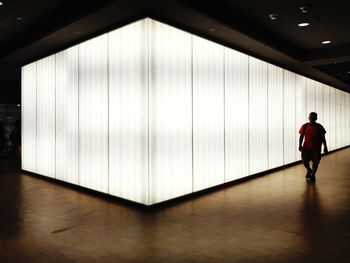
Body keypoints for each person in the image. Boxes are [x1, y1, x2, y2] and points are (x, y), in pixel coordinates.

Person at [298, 112, 328, 182]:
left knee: (315, 162)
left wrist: (325, 147)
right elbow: (301, 136)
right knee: (304, 160)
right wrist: (300, 145)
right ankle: (309, 170)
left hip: (316, 148)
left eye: (314, 117)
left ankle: (313, 175)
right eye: (311, 116)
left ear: (316, 118)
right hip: (306, 147)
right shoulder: (304, 126)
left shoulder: (319, 127)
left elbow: (323, 138)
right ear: (308, 118)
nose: (312, 118)